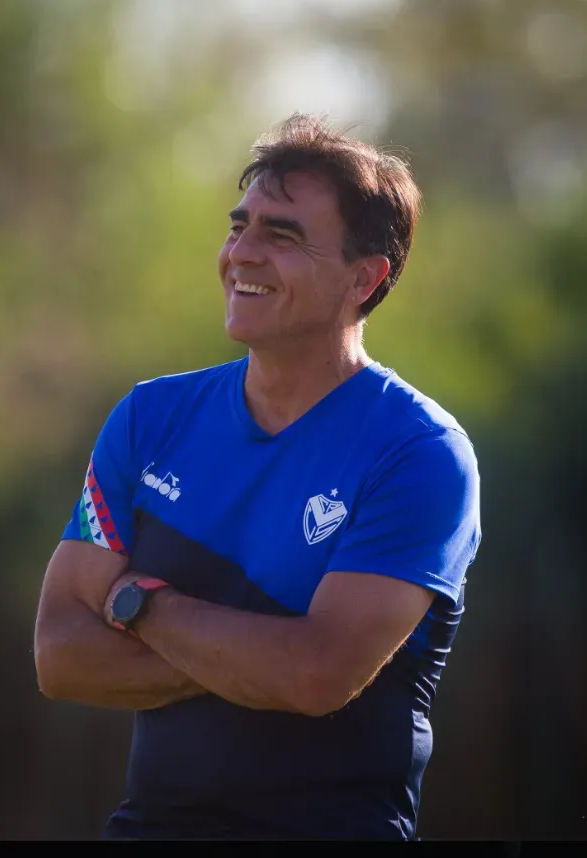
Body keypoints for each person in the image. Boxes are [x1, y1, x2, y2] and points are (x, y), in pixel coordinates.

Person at [34, 113, 481, 841]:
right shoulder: (149, 417)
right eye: (240, 226)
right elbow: (60, 656)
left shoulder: (420, 453)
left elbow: (314, 678)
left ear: (365, 278)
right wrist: (256, 659)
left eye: (284, 235)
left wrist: (137, 606)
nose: (241, 253)